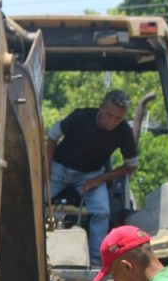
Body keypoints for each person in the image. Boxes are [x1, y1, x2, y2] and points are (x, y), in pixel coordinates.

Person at [47, 89, 139, 265]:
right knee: (32, 202)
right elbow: (52, 137)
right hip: (59, 168)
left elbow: (131, 165)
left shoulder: (123, 132)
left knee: (102, 211)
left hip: (91, 174)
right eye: (109, 115)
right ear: (100, 108)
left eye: (118, 118)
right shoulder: (80, 117)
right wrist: (46, 168)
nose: (112, 122)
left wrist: (100, 179)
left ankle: (96, 261)